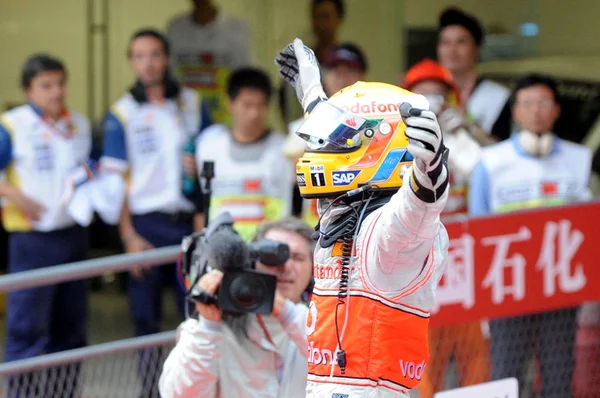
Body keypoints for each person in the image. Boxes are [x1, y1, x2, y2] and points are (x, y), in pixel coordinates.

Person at [276, 38, 449, 397]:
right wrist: (312, 93)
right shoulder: (347, 208)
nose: (322, 152)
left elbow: (419, 208)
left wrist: (430, 167)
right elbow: (347, 134)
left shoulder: (391, 236)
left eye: (337, 144)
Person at [469, 73, 592, 397]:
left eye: (544, 103)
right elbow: (477, 229)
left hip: (559, 289)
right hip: (508, 289)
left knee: (558, 374)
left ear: (556, 111)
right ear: (515, 112)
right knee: (506, 374)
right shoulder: (492, 163)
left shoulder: (578, 161)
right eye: (527, 103)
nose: (536, 110)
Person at [100, 29, 208, 397]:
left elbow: (213, 163)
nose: (149, 62)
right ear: (132, 61)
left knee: (196, 317)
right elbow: (114, 183)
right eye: (140, 55)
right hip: (145, 226)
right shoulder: (121, 113)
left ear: (167, 58)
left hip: (188, 223)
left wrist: (202, 223)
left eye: (156, 54)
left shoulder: (193, 103)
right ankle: (150, 391)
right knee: (145, 320)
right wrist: (128, 235)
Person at [0, 54, 91, 396]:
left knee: (70, 326)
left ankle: (63, 392)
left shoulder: (78, 124)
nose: (56, 92)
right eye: (46, 86)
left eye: (60, 84)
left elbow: (90, 168)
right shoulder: (12, 125)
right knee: (27, 328)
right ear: (28, 90)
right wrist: (12, 194)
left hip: (73, 235)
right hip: (31, 240)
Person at [401, 58, 490, 397]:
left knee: (476, 360)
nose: (432, 104)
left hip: (466, 265)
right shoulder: (396, 145)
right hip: (419, 267)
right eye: (422, 96)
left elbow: (487, 173)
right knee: (422, 362)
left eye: (439, 97)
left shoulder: (463, 139)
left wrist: (468, 133)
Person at [159, 216, 314, 397]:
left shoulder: (325, 323)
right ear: (251, 262)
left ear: (313, 268)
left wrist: (286, 312)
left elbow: (341, 363)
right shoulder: (212, 327)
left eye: (297, 257)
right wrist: (207, 328)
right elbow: (178, 394)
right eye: (271, 257)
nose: (285, 266)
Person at [195, 67, 294, 241]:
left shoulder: (286, 150)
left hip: (271, 251)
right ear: (230, 104)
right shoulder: (209, 149)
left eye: (260, 105)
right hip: (222, 250)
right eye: (247, 105)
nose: (254, 113)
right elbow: (200, 207)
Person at [285, 42, 368, 228]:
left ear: (362, 76)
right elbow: (294, 188)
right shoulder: (303, 126)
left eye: (349, 70)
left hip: (364, 224)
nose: (341, 76)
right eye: (335, 70)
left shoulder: (379, 121)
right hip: (318, 229)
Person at [167, 0, 253, 125]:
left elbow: (247, 77)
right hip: (186, 117)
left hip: (227, 118)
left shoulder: (237, 29)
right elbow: (169, 75)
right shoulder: (175, 29)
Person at [437, 7, 511, 141]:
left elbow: (504, 148)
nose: (452, 50)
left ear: (477, 48)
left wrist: (471, 128)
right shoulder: (426, 92)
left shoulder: (499, 96)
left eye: (461, 42)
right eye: (446, 42)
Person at [279, 0, 346, 127]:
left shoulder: (350, 62)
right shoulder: (300, 60)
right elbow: (284, 101)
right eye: (317, 17)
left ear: (339, 20)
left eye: (326, 16)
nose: (321, 24)